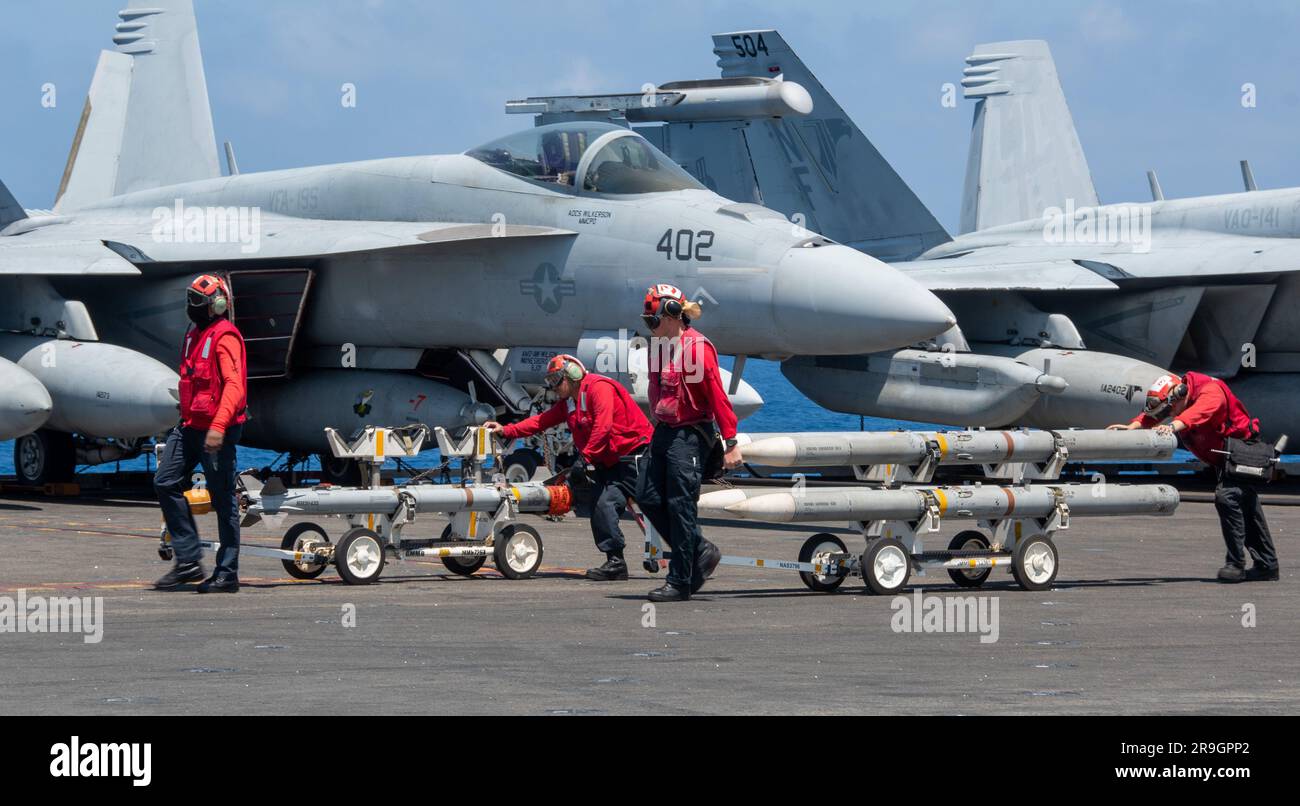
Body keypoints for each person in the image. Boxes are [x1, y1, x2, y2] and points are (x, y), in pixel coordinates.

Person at [485, 354, 652, 580]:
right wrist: (506, 430)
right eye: (551, 381)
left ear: (573, 375)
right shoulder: (570, 403)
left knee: (658, 508)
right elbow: (540, 421)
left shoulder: (598, 388)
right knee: (602, 506)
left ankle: (694, 555)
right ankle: (616, 563)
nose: (553, 387)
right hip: (609, 462)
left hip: (634, 458)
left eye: (556, 380)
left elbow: (603, 427)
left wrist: (584, 459)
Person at [1109, 372, 1279, 582]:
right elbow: (1158, 413)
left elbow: (1198, 413)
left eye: (1171, 409)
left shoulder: (1211, 392)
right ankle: (1267, 565)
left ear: (1180, 394)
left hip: (1243, 452)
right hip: (1226, 459)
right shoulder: (1180, 397)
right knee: (1247, 505)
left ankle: (1235, 565)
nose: (1170, 414)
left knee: (1227, 497)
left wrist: (1172, 427)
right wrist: (1133, 426)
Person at [637, 284, 743, 602]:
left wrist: (731, 441)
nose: (650, 326)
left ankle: (680, 581)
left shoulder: (697, 349)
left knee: (680, 507)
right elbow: (656, 389)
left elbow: (717, 396)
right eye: (647, 321)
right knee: (647, 496)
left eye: (653, 320)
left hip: (690, 435)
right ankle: (700, 549)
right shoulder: (658, 348)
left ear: (672, 314)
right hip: (664, 432)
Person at [154, 274, 248, 593]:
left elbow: (234, 387)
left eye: (196, 301)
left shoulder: (225, 337)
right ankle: (189, 561)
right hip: (191, 426)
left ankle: (227, 573)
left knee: (223, 500)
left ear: (216, 306)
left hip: (216, 431)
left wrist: (218, 427)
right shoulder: (194, 335)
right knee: (165, 481)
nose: (190, 307)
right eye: (189, 300)